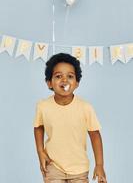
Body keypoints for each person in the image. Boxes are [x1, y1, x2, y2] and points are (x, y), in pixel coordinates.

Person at [33, 53, 107, 183]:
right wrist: (40, 151)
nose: (64, 80)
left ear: (77, 83)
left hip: (79, 168)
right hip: (53, 166)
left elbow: (95, 135)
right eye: (58, 76)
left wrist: (99, 165)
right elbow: (38, 127)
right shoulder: (43, 106)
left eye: (70, 76)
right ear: (49, 83)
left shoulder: (85, 107)